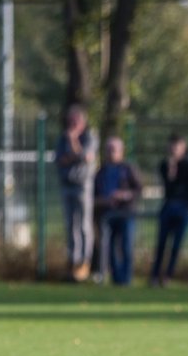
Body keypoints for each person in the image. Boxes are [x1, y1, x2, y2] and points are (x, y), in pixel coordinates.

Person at [149, 134, 188, 287]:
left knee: (176, 245)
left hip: (183, 209)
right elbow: (168, 188)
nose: (173, 150)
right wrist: (171, 170)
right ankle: (155, 275)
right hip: (168, 207)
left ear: (183, 147)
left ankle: (167, 276)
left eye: (176, 146)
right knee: (161, 244)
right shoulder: (165, 165)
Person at [93, 137, 143, 286]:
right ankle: (116, 279)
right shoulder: (100, 172)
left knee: (126, 246)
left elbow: (138, 189)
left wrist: (124, 195)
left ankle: (126, 279)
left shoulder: (128, 169)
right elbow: (94, 195)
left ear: (121, 152)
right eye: (108, 150)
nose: (110, 153)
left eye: (113, 150)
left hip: (125, 213)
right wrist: (103, 201)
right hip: (107, 214)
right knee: (110, 247)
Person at [55, 104, 97, 281]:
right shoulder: (62, 139)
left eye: (75, 121)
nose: (71, 124)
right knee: (71, 225)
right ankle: (73, 262)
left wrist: (73, 142)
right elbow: (59, 160)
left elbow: (86, 157)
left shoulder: (89, 136)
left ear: (82, 122)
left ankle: (85, 263)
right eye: (70, 121)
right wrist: (76, 157)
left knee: (84, 225)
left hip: (82, 186)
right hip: (67, 185)